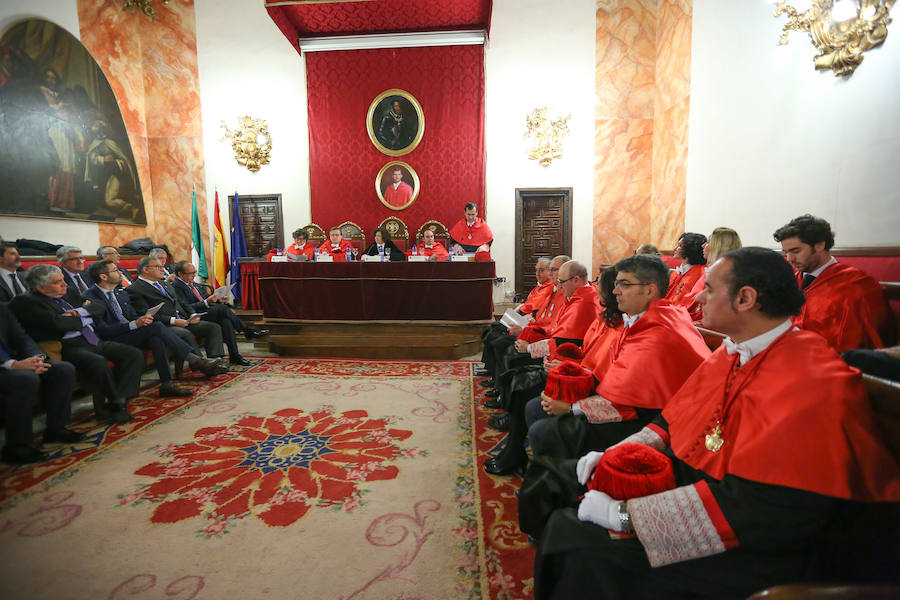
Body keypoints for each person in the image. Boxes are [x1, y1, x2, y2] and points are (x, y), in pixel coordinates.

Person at [532, 247, 900, 600]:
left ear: (745, 299)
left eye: (708, 288)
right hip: (713, 486)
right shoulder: (734, 349)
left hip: (759, 542)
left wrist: (625, 517)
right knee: (563, 485)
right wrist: (624, 449)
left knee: (581, 545)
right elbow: (676, 417)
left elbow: (765, 509)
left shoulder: (808, 379)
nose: (697, 299)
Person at [526, 254, 710, 460]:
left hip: (653, 421)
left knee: (544, 428)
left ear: (650, 290)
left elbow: (630, 404)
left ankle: (566, 481)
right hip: (637, 408)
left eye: (623, 284)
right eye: (615, 284)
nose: (615, 291)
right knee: (539, 405)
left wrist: (570, 408)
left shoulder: (657, 332)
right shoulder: (655, 316)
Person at [484, 260, 602, 475]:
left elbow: (567, 341)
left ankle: (516, 450)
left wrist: (531, 349)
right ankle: (512, 431)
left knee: (520, 381)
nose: (556, 280)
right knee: (510, 362)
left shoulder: (584, 301)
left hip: (570, 368)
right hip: (561, 359)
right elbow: (555, 329)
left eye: (560, 277)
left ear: (576, 279)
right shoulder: (573, 296)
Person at [11, 264, 141, 423]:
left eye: (63, 280)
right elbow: (56, 324)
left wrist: (77, 313)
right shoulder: (27, 302)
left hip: (92, 339)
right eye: (58, 282)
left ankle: (120, 399)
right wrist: (84, 318)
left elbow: (99, 306)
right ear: (41, 287)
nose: (65, 285)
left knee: (133, 354)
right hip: (65, 345)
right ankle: (114, 404)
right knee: (98, 363)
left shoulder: (69, 292)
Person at [84, 260, 228, 395]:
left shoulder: (119, 293)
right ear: (103, 276)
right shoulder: (91, 297)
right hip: (110, 338)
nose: (121, 273)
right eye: (115, 270)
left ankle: (167, 384)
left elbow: (132, 315)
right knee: (157, 327)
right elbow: (102, 330)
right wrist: (135, 324)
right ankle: (195, 360)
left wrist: (141, 320)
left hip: (129, 331)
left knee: (156, 339)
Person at [774, 214, 892, 352]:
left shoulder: (856, 287)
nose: (789, 259)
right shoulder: (790, 281)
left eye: (795, 251)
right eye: (786, 252)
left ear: (820, 245)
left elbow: (860, 343)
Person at [0, 303, 84, 464]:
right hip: (5, 366)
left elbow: (22, 338)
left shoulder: (2, 308)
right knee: (25, 378)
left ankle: (56, 429)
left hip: (13, 361)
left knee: (62, 369)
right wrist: (13, 365)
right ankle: (17, 445)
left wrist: (38, 358)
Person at [126, 257, 227, 362]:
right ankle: (201, 363)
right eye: (158, 267)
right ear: (146, 270)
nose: (162, 269)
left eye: (162, 267)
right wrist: (174, 321)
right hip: (165, 325)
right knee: (184, 333)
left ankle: (216, 359)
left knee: (213, 327)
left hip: (184, 320)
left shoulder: (164, 283)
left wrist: (192, 315)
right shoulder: (134, 289)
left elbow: (181, 302)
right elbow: (145, 314)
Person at [171, 260, 268, 364]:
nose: (194, 275)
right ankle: (247, 331)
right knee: (222, 309)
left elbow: (205, 298)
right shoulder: (176, 287)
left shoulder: (194, 284)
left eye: (195, 272)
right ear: (180, 274)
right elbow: (185, 307)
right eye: (191, 273)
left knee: (226, 321)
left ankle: (234, 355)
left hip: (206, 312)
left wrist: (217, 299)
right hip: (194, 317)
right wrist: (206, 302)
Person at [665, 233, 707, 316]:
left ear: (690, 250)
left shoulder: (700, 273)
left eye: (680, 246)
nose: (675, 248)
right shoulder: (678, 272)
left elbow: (685, 304)